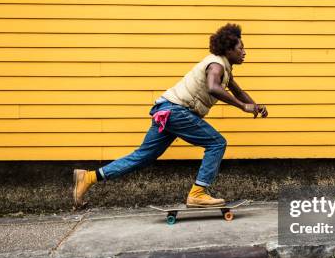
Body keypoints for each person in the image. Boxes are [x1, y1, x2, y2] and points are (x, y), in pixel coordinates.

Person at [72, 23, 268, 208]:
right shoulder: (216, 65)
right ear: (228, 50)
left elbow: (238, 92)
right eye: (241, 48)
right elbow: (213, 87)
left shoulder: (223, 68)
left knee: (142, 157)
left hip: (166, 110)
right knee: (217, 143)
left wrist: (254, 106)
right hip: (176, 111)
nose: (244, 52)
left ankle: (89, 177)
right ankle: (198, 193)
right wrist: (243, 107)